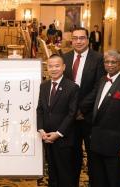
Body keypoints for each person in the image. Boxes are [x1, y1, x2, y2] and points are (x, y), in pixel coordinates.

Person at [81, 50, 120, 187]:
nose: (110, 65)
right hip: (96, 142)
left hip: (116, 146)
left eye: (113, 62)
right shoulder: (102, 80)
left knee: (115, 181)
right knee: (97, 179)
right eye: (107, 62)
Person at [62, 27, 106, 186]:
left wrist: (80, 109)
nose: (78, 41)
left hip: (88, 116)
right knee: (72, 156)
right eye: (75, 38)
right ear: (71, 40)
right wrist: (71, 111)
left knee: (93, 156)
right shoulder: (65, 58)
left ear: (88, 40)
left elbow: (98, 87)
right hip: (69, 117)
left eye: (82, 38)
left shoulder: (98, 58)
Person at [37, 55, 79, 187]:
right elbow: (40, 109)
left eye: (57, 66)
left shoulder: (72, 87)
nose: (53, 69)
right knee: (52, 172)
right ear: (46, 68)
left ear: (64, 67)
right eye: (50, 66)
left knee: (65, 174)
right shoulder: (43, 86)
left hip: (63, 139)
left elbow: (72, 114)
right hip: (47, 137)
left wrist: (58, 133)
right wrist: (41, 129)